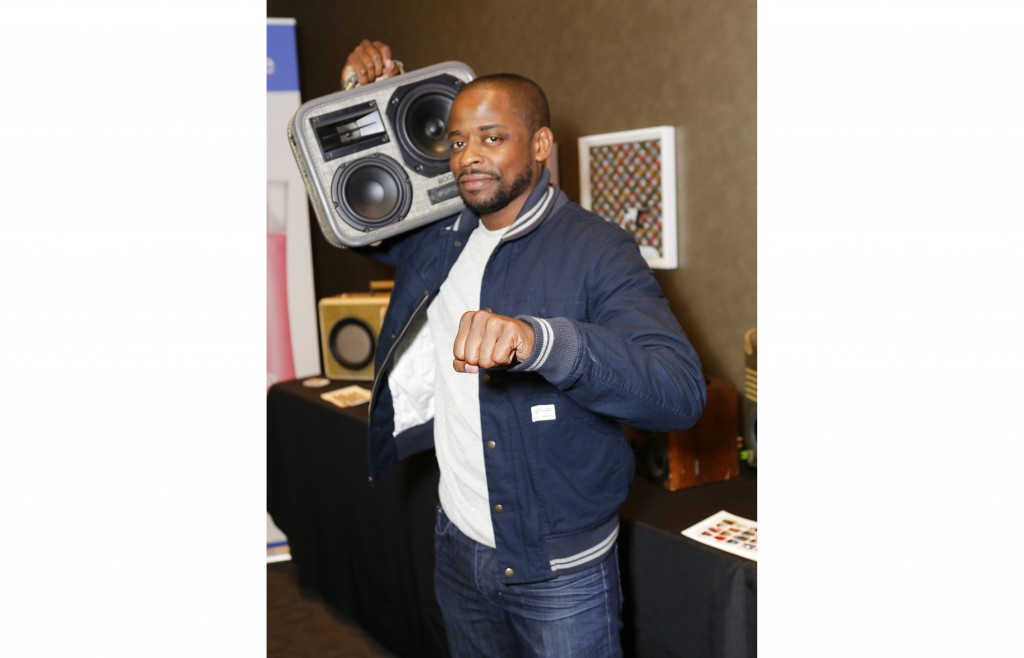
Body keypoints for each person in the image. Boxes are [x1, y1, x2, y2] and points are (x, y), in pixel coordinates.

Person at [342, 40, 707, 657]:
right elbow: (353, 216)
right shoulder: (441, 235)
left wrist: (543, 341)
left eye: (491, 137)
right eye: (457, 142)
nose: (469, 157)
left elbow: (679, 392)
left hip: (559, 570)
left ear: (539, 146)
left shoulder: (598, 248)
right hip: (456, 542)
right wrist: (362, 102)